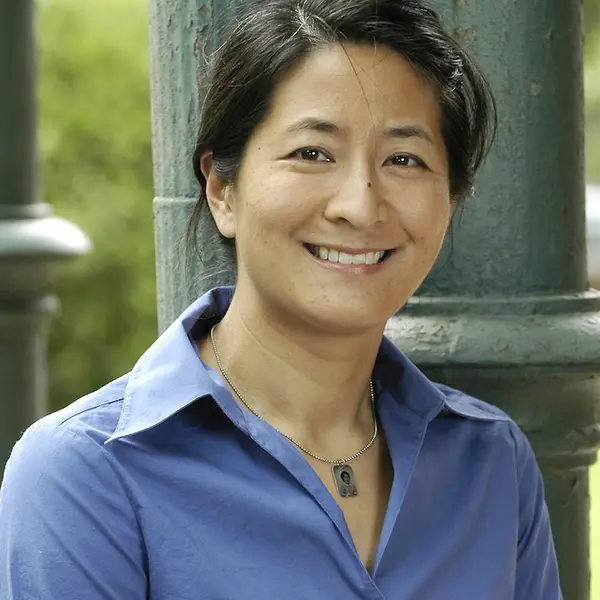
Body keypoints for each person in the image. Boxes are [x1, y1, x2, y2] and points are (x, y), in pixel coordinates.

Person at [0, 0, 563, 598]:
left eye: (405, 159)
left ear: (448, 202)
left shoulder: (490, 461)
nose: (359, 205)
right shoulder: (86, 473)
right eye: (312, 154)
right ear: (222, 189)